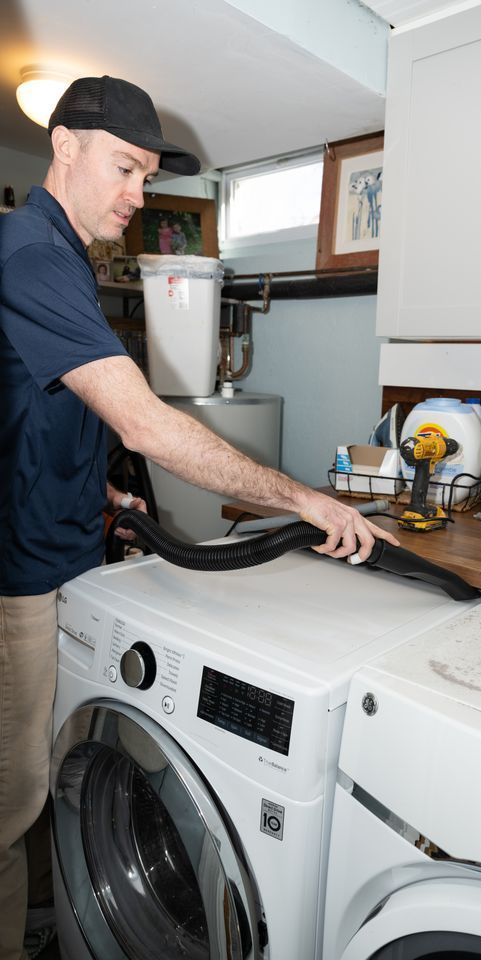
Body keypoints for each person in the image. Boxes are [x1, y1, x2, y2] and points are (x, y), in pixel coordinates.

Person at [0, 75, 397, 960]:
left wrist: (100, 495)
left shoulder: (63, 257)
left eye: (147, 176)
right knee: (11, 805)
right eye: (125, 169)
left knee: (36, 783)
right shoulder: (27, 250)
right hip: (17, 584)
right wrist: (301, 496)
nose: (139, 196)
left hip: (64, 554)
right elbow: (143, 421)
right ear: (63, 146)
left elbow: (40, 412)